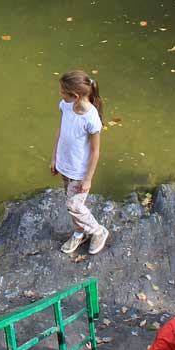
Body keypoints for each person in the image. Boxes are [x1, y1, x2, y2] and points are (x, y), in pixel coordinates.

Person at [50, 69, 108, 255]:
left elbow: (95, 151)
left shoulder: (91, 119)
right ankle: (79, 232)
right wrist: (54, 158)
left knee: (74, 205)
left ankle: (98, 231)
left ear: (75, 96)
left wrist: (88, 178)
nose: (60, 94)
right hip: (65, 165)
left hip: (79, 172)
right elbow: (61, 130)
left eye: (62, 91)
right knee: (70, 201)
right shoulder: (66, 106)